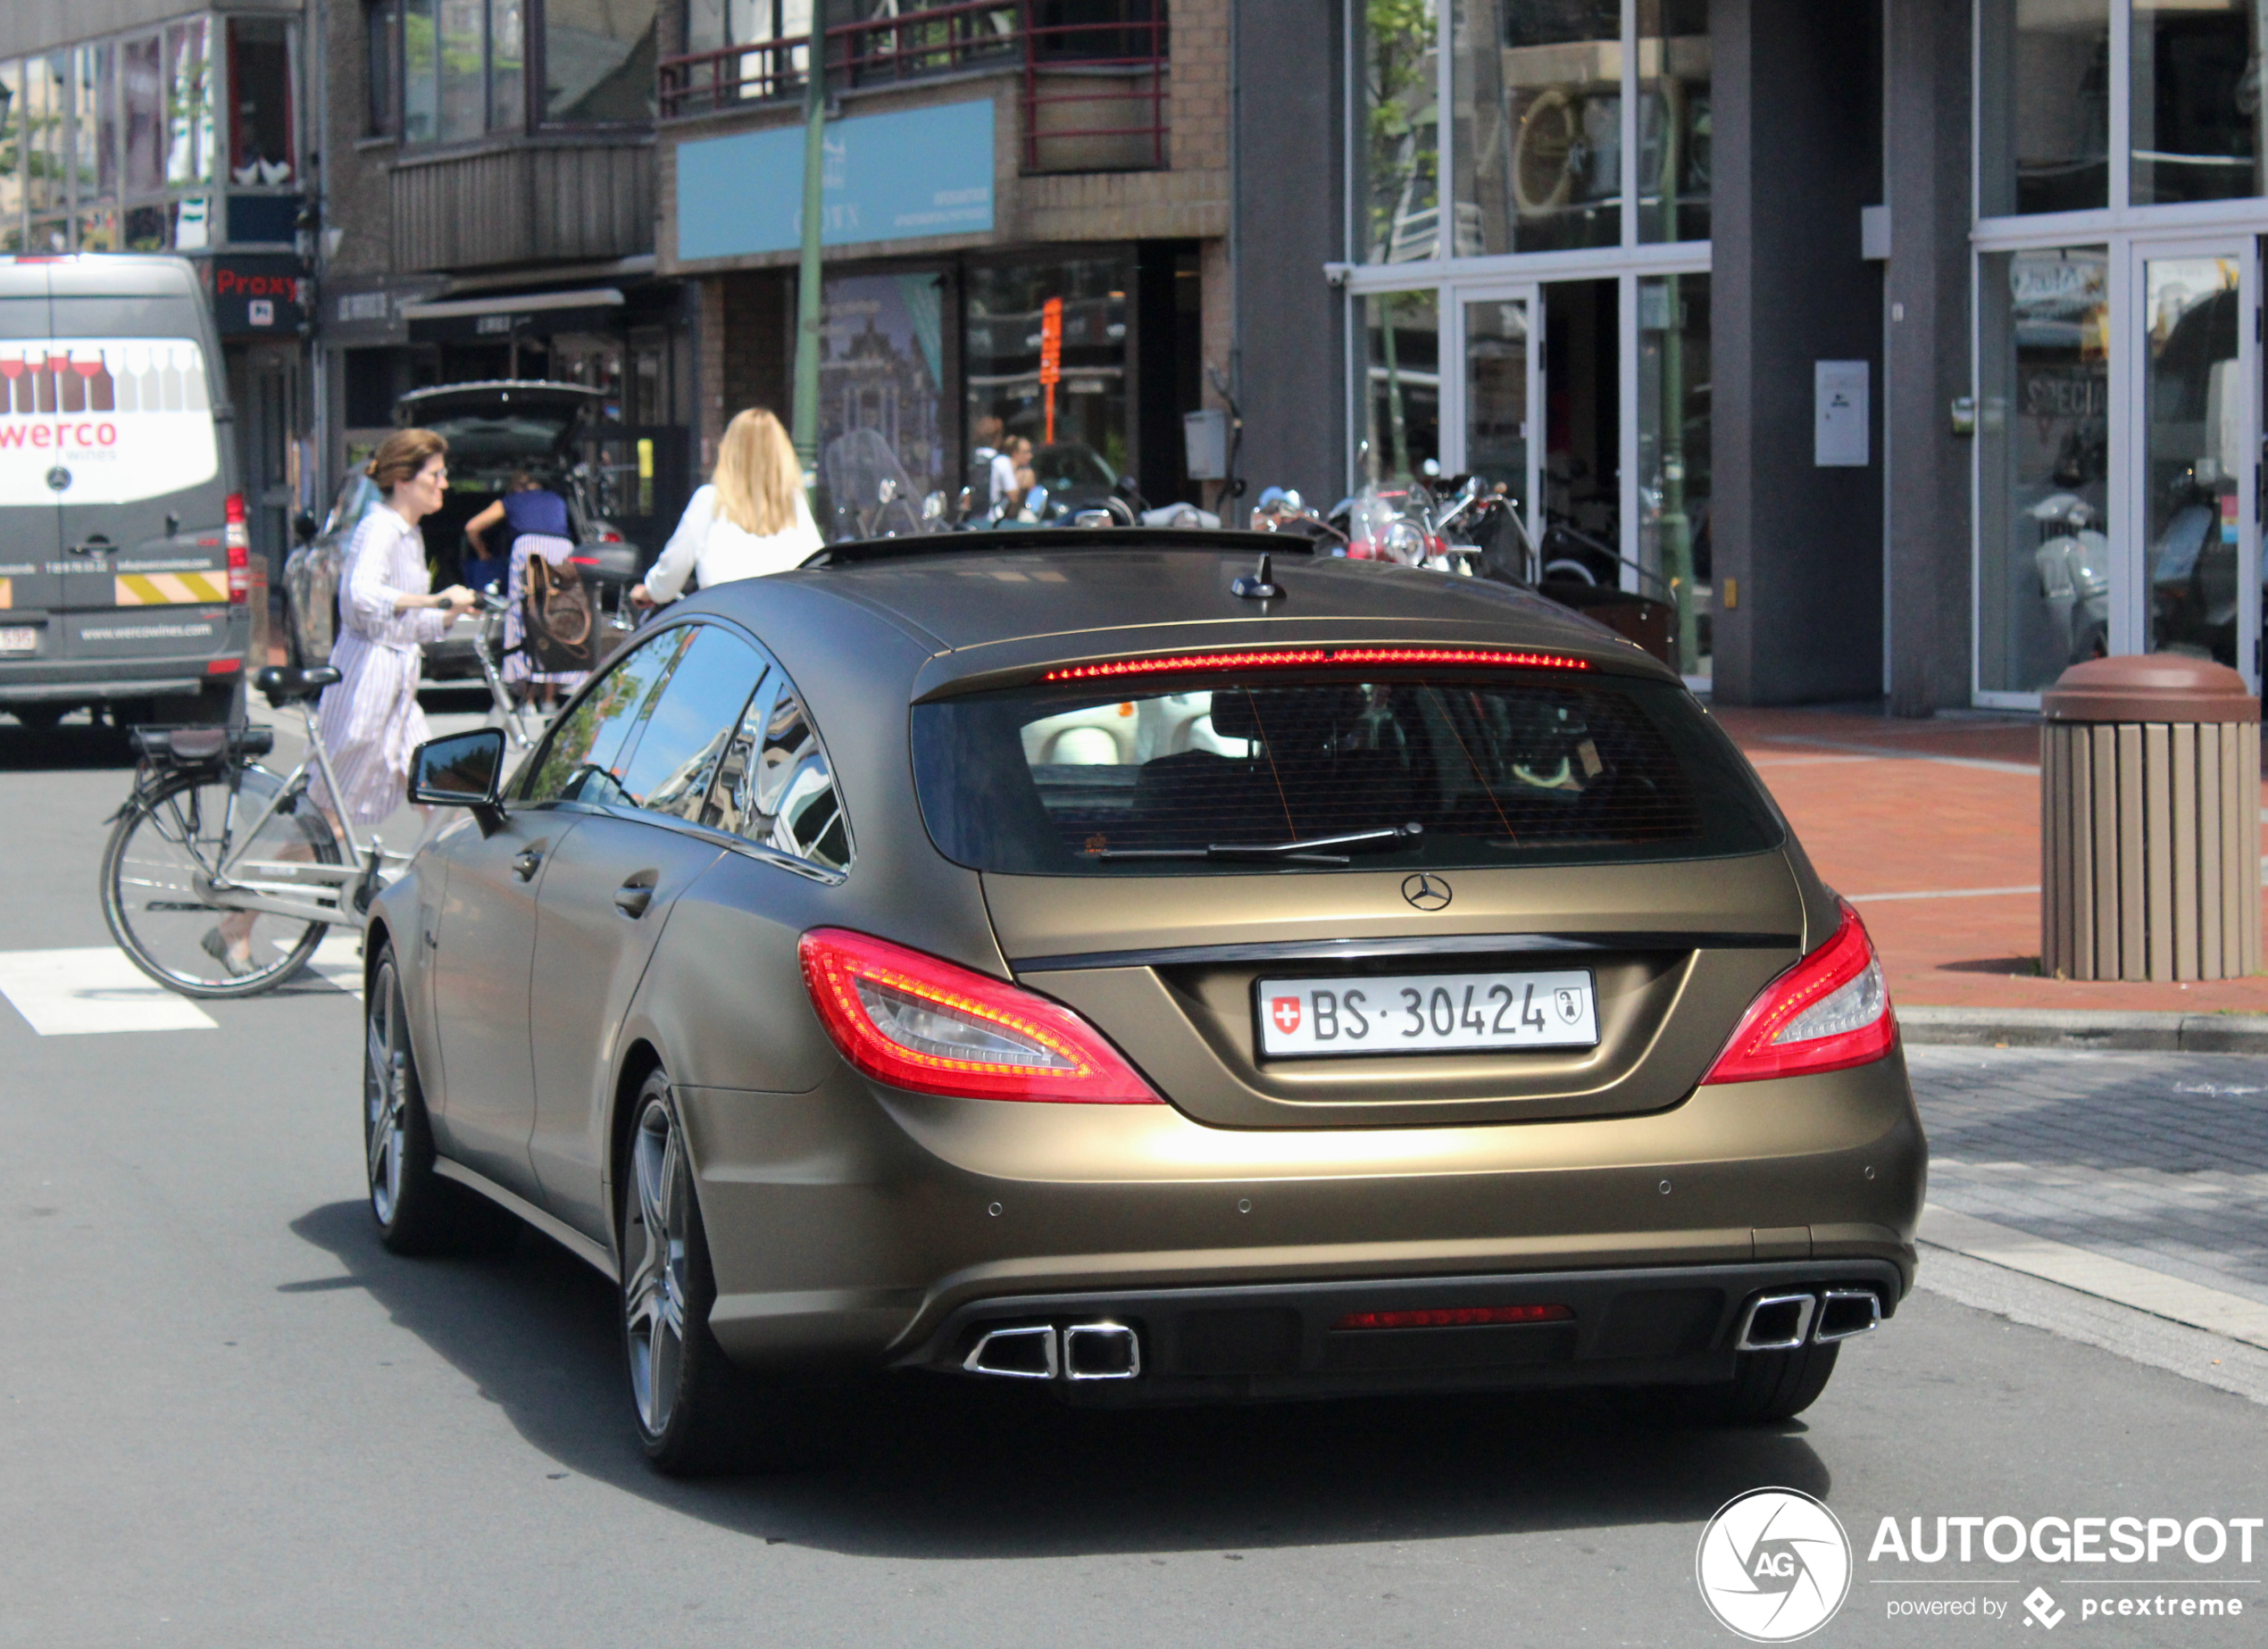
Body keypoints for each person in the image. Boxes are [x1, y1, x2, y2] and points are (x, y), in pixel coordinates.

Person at [202, 429, 475, 976]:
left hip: (398, 695)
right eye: (435, 476)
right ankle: (237, 921)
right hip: (365, 692)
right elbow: (360, 600)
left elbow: (407, 621)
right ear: (403, 480)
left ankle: (397, 917)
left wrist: (450, 617)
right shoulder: (379, 528)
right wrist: (433, 598)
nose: (444, 484)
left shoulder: (409, 536)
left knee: (452, 802)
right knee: (326, 826)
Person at [631, 407, 821, 609]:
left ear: (730, 451)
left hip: (728, 624)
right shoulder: (792, 503)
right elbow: (817, 567)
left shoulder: (711, 500)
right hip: (782, 624)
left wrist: (651, 590)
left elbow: (675, 565)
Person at [471, 472, 582, 711]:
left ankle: (528, 700)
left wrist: (482, 553)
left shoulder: (512, 500)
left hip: (530, 549)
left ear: (515, 488)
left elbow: (473, 527)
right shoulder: (557, 499)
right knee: (556, 621)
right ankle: (550, 700)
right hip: (563, 551)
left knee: (525, 621)